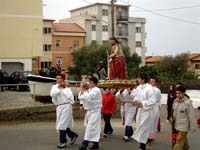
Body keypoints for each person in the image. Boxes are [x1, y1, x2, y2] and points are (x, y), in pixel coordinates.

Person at [50, 73, 78, 148]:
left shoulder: (67, 87)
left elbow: (70, 97)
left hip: (66, 106)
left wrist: (65, 88)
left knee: (62, 124)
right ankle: (73, 135)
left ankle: (63, 142)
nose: (57, 80)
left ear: (62, 79)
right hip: (59, 107)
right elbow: (52, 94)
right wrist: (59, 87)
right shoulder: (54, 87)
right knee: (61, 123)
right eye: (57, 78)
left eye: (59, 78)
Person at [131, 72, 156, 150]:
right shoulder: (139, 87)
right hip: (140, 110)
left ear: (143, 79)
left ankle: (143, 146)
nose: (137, 80)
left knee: (144, 127)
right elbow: (136, 97)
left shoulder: (150, 89)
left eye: (139, 78)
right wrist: (135, 102)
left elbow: (153, 101)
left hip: (147, 111)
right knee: (140, 126)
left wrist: (142, 103)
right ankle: (142, 144)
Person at [78, 77, 102, 150]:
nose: (89, 83)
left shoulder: (96, 90)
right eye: (88, 82)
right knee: (94, 128)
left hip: (95, 111)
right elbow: (80, 97)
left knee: (90, 127)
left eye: (91, 82)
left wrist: (82, 89)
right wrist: (83, 89)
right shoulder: (89, 90)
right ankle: (95, 144)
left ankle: (85, 144)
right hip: (90, 111)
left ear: (95, 83)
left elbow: (88, 97)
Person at [170, 85, 197, 150]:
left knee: (178, 144)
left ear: (183, 93)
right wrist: (172, 117)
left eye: (179, 93)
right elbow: (174, 112)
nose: (177, 95)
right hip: (177, 125)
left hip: (183, 127)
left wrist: (193, 127)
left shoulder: (188, 103)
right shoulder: (175, 101)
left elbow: (192, 116)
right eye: (176, 93)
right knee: (185, 145)